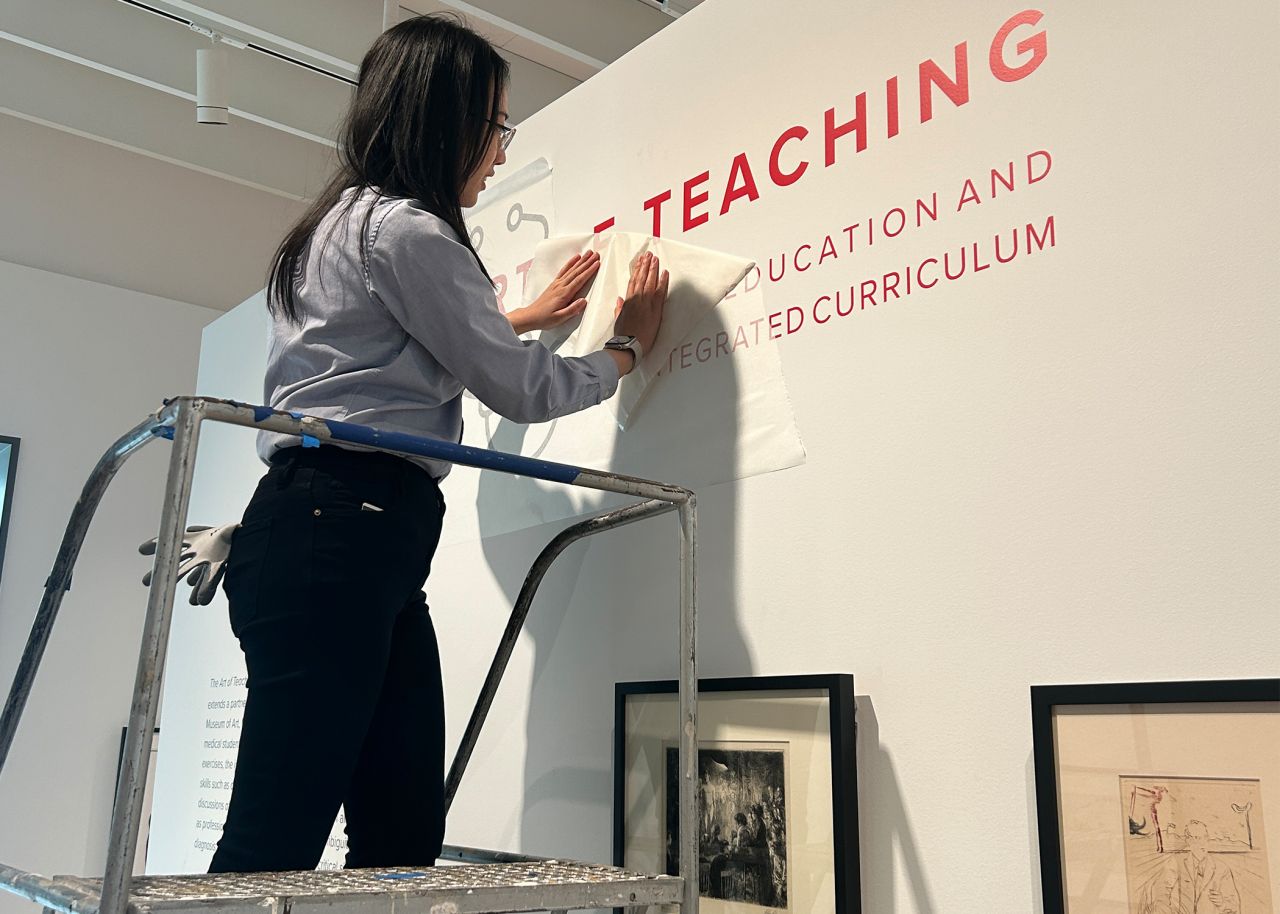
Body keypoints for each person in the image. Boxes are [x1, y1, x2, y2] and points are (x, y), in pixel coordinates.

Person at [208, 14, 668, 873]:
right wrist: (625, 348)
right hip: (344, 531)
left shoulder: (338, 223)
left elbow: (374, 348)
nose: (500, 152)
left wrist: (510, 317)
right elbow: (523, 390)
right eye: (497, 126)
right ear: (446, 120)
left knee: (394, 836)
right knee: (287, 837)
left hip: (345, 535)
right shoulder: (412, 231)